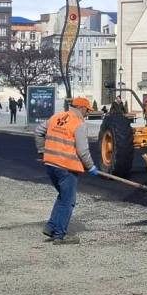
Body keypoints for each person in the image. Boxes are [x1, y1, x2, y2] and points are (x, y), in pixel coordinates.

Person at [34, 97, 98, 244]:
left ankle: (50, 227)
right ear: (81, 108)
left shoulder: (56, 117)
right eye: (87, 110)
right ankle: (59, 235)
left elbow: (38, 132)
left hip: (50, 164)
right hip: (66, 168)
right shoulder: (79, 124)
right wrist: (90, 166)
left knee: (63, 196)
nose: (87, 114)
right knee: (68, 201)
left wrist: (42, 151)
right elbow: (83, 151)